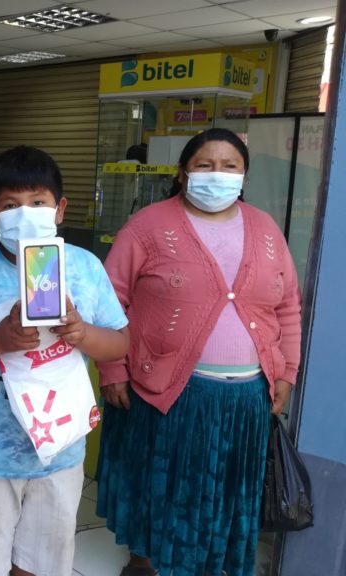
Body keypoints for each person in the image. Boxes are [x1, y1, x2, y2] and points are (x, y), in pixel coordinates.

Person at [95, 128, 302, 576]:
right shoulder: (148, 225)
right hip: (164, 392)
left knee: (226, 491)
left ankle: (210, 563)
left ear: (244, 175)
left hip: (246, 397)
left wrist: (286, 371)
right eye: (205, 165)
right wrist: (112, 369)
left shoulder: (265, 229)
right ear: (183, 172)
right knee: (159, 484)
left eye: (230, 166)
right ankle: (146, 561)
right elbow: (108, 300)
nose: (217, 175)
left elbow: (288, 306)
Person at [0, 146, 129, 576]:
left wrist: (83, 333)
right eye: (10, 205)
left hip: (61, 448)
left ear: (60, 210)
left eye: (38, 202)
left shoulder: (85, 268)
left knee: (43, 562)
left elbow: (120, 343)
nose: (26, 213)